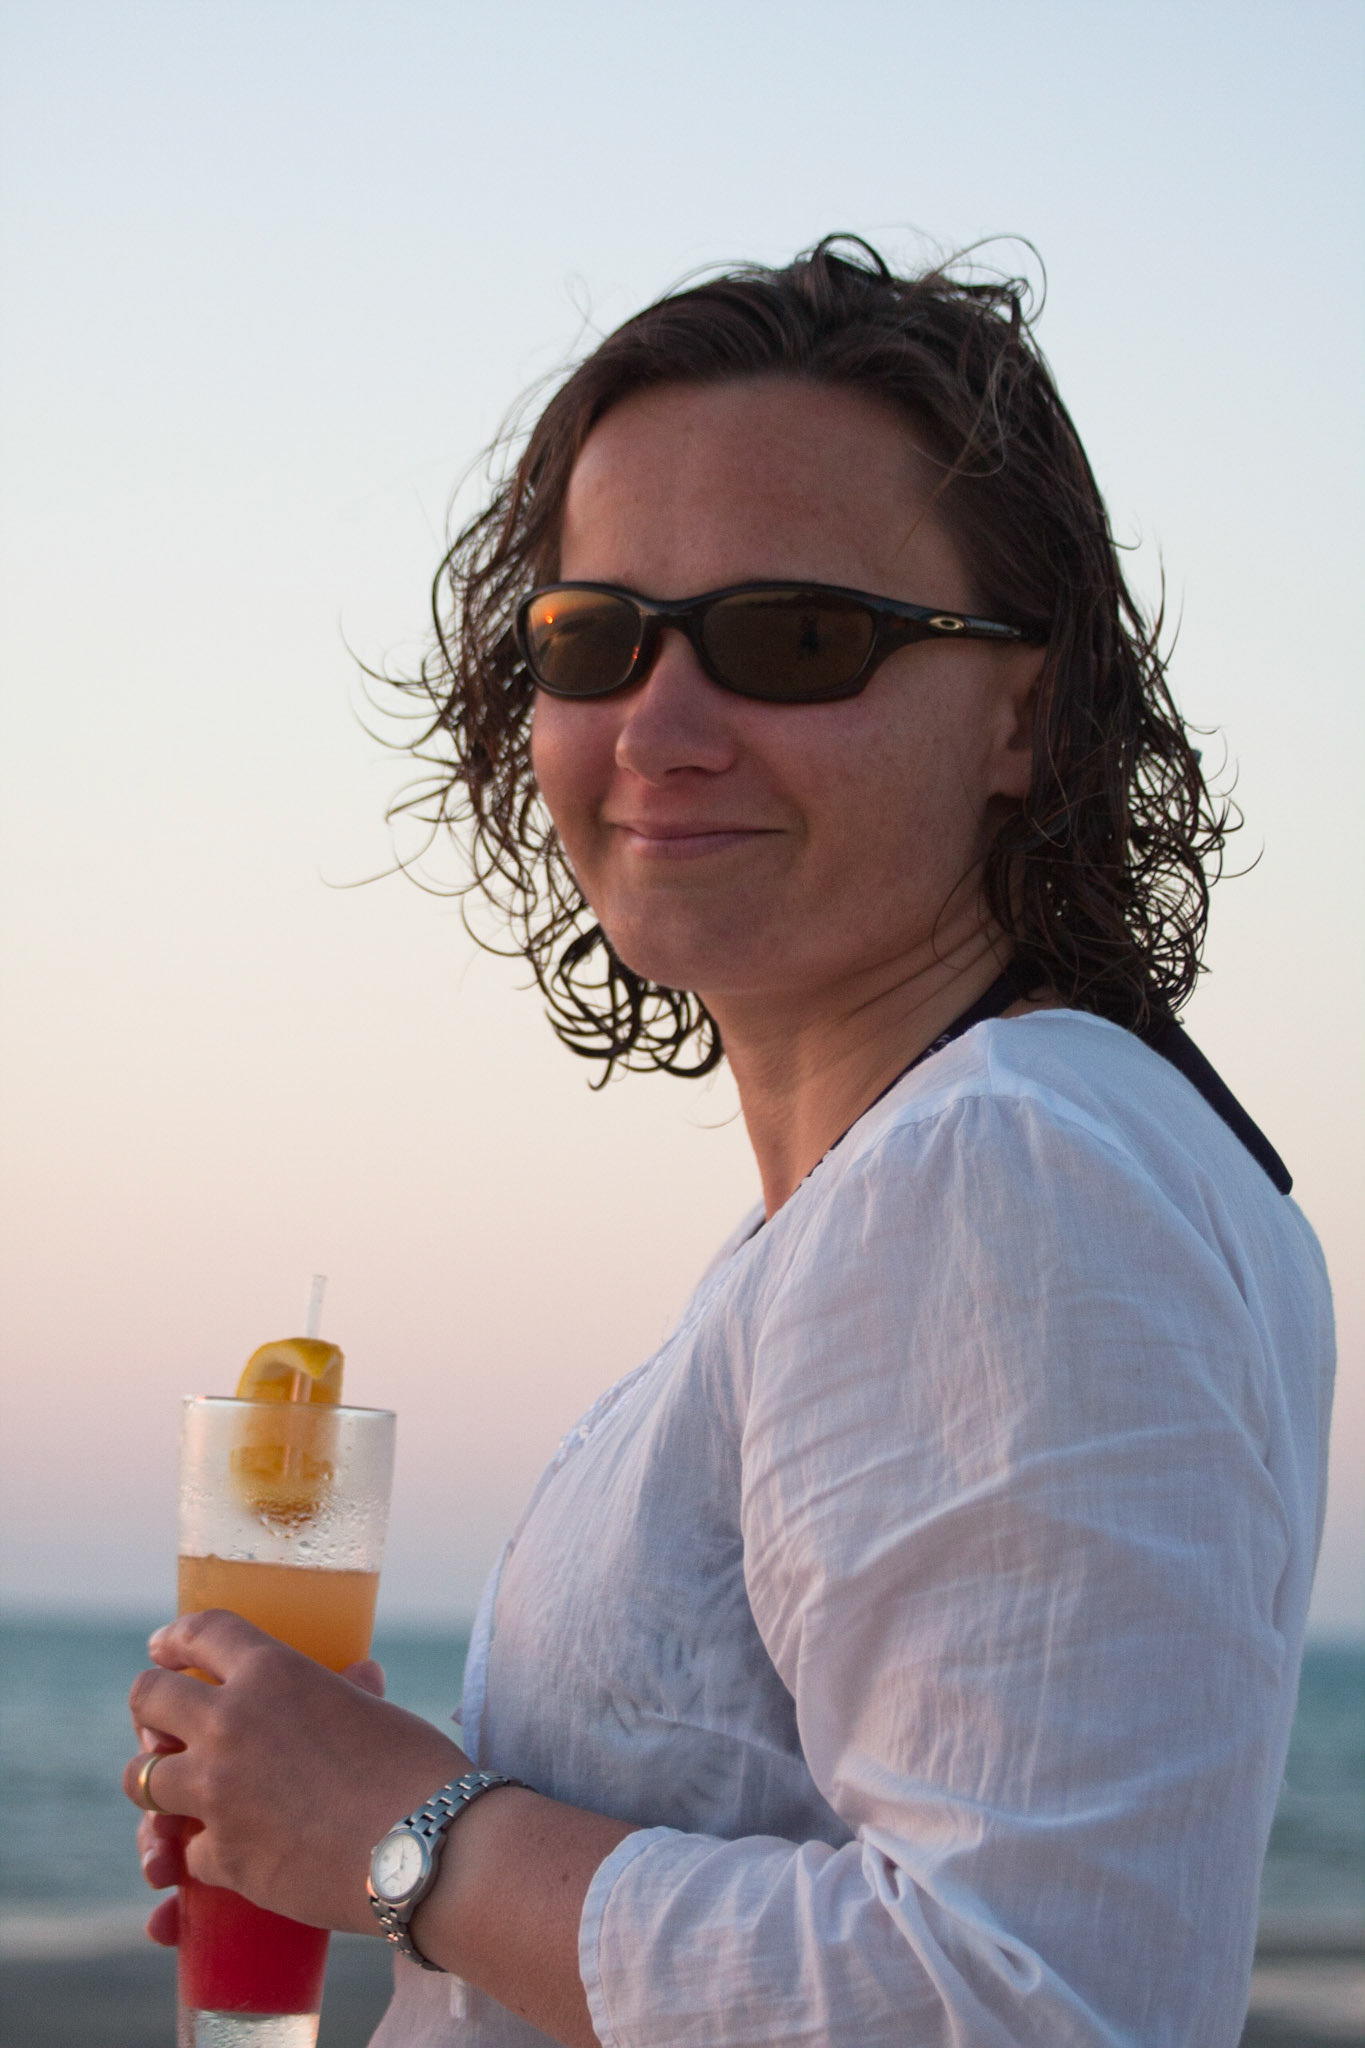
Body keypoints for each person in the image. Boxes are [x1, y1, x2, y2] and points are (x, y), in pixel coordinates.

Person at [125, 238, 1335, 2048]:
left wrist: (408, 1835)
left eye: (794, 638)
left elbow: (1031, 2002)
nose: (660, 728)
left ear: (1025, 709)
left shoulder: (1003, 1174)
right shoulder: (955, 1168)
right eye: (593, 637)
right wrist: (349, 1800)